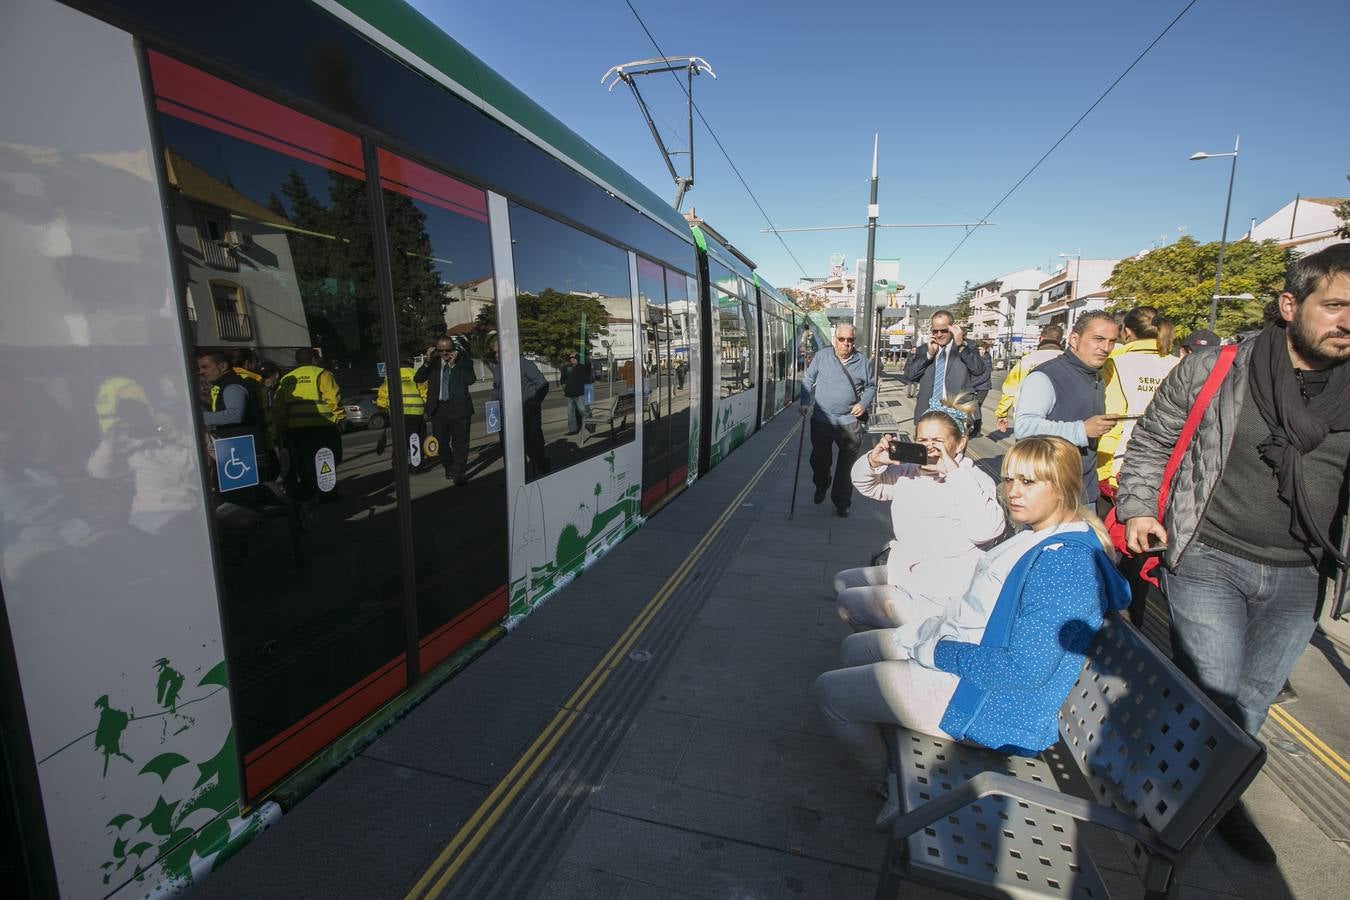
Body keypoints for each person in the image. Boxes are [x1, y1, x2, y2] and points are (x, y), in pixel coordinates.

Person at [1118, 243, 1350, 862]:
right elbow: (1150, 442)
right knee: (1213, 693)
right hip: (1208, 554)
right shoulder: (1219, 368)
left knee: (1250, 704)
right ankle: (1167, 815)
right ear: (1289, 304)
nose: (1347, 321)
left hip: (1304, 572)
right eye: (1334, 306)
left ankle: (1219, 800)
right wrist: (1139, 507)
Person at [813, 436, 1129, 787]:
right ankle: (886, 728)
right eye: (1009, 479)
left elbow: (1023, 671)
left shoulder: (1064, 566)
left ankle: (886, 783)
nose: (1013, 492)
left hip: (990, 705)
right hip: (970, 662)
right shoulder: (1043, 535)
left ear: (1063, 488)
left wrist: (936, 651)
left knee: (831, 692)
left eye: (1028, 482)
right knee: (857, 649)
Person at [834, 399, 1006, 631]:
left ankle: (898, 642)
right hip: (905, 572)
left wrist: (954, 475)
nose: (929, 447)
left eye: (938, 441)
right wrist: (874, 461)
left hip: (940, 592)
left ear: (961, 443)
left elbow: (986, 530)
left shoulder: (973, 480)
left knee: (850, 602)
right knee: (843, 581)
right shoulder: (909, 472)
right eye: (922, 440)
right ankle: (885, 632)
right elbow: (867, 485)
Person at [1014, 312, 1120, 505]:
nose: (1105, 348)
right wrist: (1082, 430)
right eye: (1098, 339)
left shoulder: (1096, 376)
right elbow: (1024, 427)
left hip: (1084, 490)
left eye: (1111, 341)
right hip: (1051, 496)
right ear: (1074, 339)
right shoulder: (1046, 376)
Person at [1094, 306, 1179, 500]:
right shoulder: (1179, 365)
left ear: (1127, 332)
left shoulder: (1114, 363)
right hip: (1169, 464)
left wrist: (1102, 469)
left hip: (1121, 464)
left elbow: (1111, 417)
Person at [798, 323, 876, 518]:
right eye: (842, 339)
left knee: (846, 468)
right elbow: (808, 381)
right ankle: (822, 484)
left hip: (849, 423)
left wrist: (863, 404)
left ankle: (842, 502)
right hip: (822, 420)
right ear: (835, 340)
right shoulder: (822, 357)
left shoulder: (862, 361)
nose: (846, 344)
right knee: (820, 461)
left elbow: (871, 387)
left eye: (850, 340)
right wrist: (806, 402)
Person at [275, 348, 345, 500]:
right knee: (325, 459)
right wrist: (339, 417)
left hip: (296, 429)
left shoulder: (287, 378)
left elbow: (279, 406)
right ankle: (327, 493)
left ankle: (308, 492)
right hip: (322, 426)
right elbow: (333, 399)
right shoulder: (322, 374)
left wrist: (282, 424)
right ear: (314, 359)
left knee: (303, 462)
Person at [903, 311, 985, 423]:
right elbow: (910, 375)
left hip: (957, 412)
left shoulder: (967, 346)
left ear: (953, 329)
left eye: (944, 330)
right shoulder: (924, 349)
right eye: (935, 331)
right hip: (928, 413)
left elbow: (978, 369)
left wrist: (960, 346)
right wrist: (929, 355)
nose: (939, 334)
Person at [416, 337, 476, 484]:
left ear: (453, 349)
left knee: (460, 443)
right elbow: (418, 378)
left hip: (459, 408)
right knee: (440, 443)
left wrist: (454, 365)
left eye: (447, 350)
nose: (444, 353)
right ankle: (449, 467)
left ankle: (458, 473)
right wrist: (428, 361)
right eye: (441, 350)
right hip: (439, 408)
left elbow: (470, 379)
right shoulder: (434, 363)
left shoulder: (463, 361)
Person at [994, 325, 1064, 432]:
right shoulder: (1068, 362)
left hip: (1026, 418)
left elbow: (1009, 389)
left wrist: (1002, 414)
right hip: (1059, 420)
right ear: (1061, 340)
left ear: (1041, 338)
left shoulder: (1026, 361)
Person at [376, 357, 429, 469]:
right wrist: (428, 410)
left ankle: (398, 465)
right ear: (411, 363)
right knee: (416, 441)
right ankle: (417, 465)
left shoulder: (391, 376)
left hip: (397, 416)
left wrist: (383, 411)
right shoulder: (415, 374)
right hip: (416, 414)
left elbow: (382, 396)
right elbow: (425, 393)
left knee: (400, 442)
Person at [560, 352, 593, 435]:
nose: (572, 359)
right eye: (571, 357)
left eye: (574, 357)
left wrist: (578, 354)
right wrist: (564, 388)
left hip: (581, 393)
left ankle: (591, 426)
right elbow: (563, 379)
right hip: (569, 394)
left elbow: (587, 362)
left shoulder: (583, 366)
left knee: (584, 411)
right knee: (571, 413)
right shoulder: (567, 367)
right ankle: (573, 430)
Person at [968, 341, 994, 437]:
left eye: (984, 349)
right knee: (972, 407)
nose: (982, 351)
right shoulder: (974, 357)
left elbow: (985, 375)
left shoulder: (987, 358)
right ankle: (972, 427)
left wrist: (971, 384)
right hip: (974, 386)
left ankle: (977, 430)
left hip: (983, 387)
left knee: (976, 407)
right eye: (980, 349)